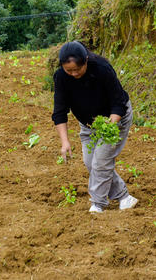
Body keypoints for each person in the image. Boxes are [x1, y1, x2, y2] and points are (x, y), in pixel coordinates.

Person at [52, 41, 138, 213]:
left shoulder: (101, 69)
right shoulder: (61, 77)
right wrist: (65, 142)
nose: (74, 74)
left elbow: (118, 102)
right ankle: (124, 197)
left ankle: (97, 205)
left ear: (86, 60)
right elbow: (60, 111)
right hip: (89, 124)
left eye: (77, 69)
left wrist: (110, 125)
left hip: (115, 119)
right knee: (90, 162)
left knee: (101, 162)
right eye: (69, 70)